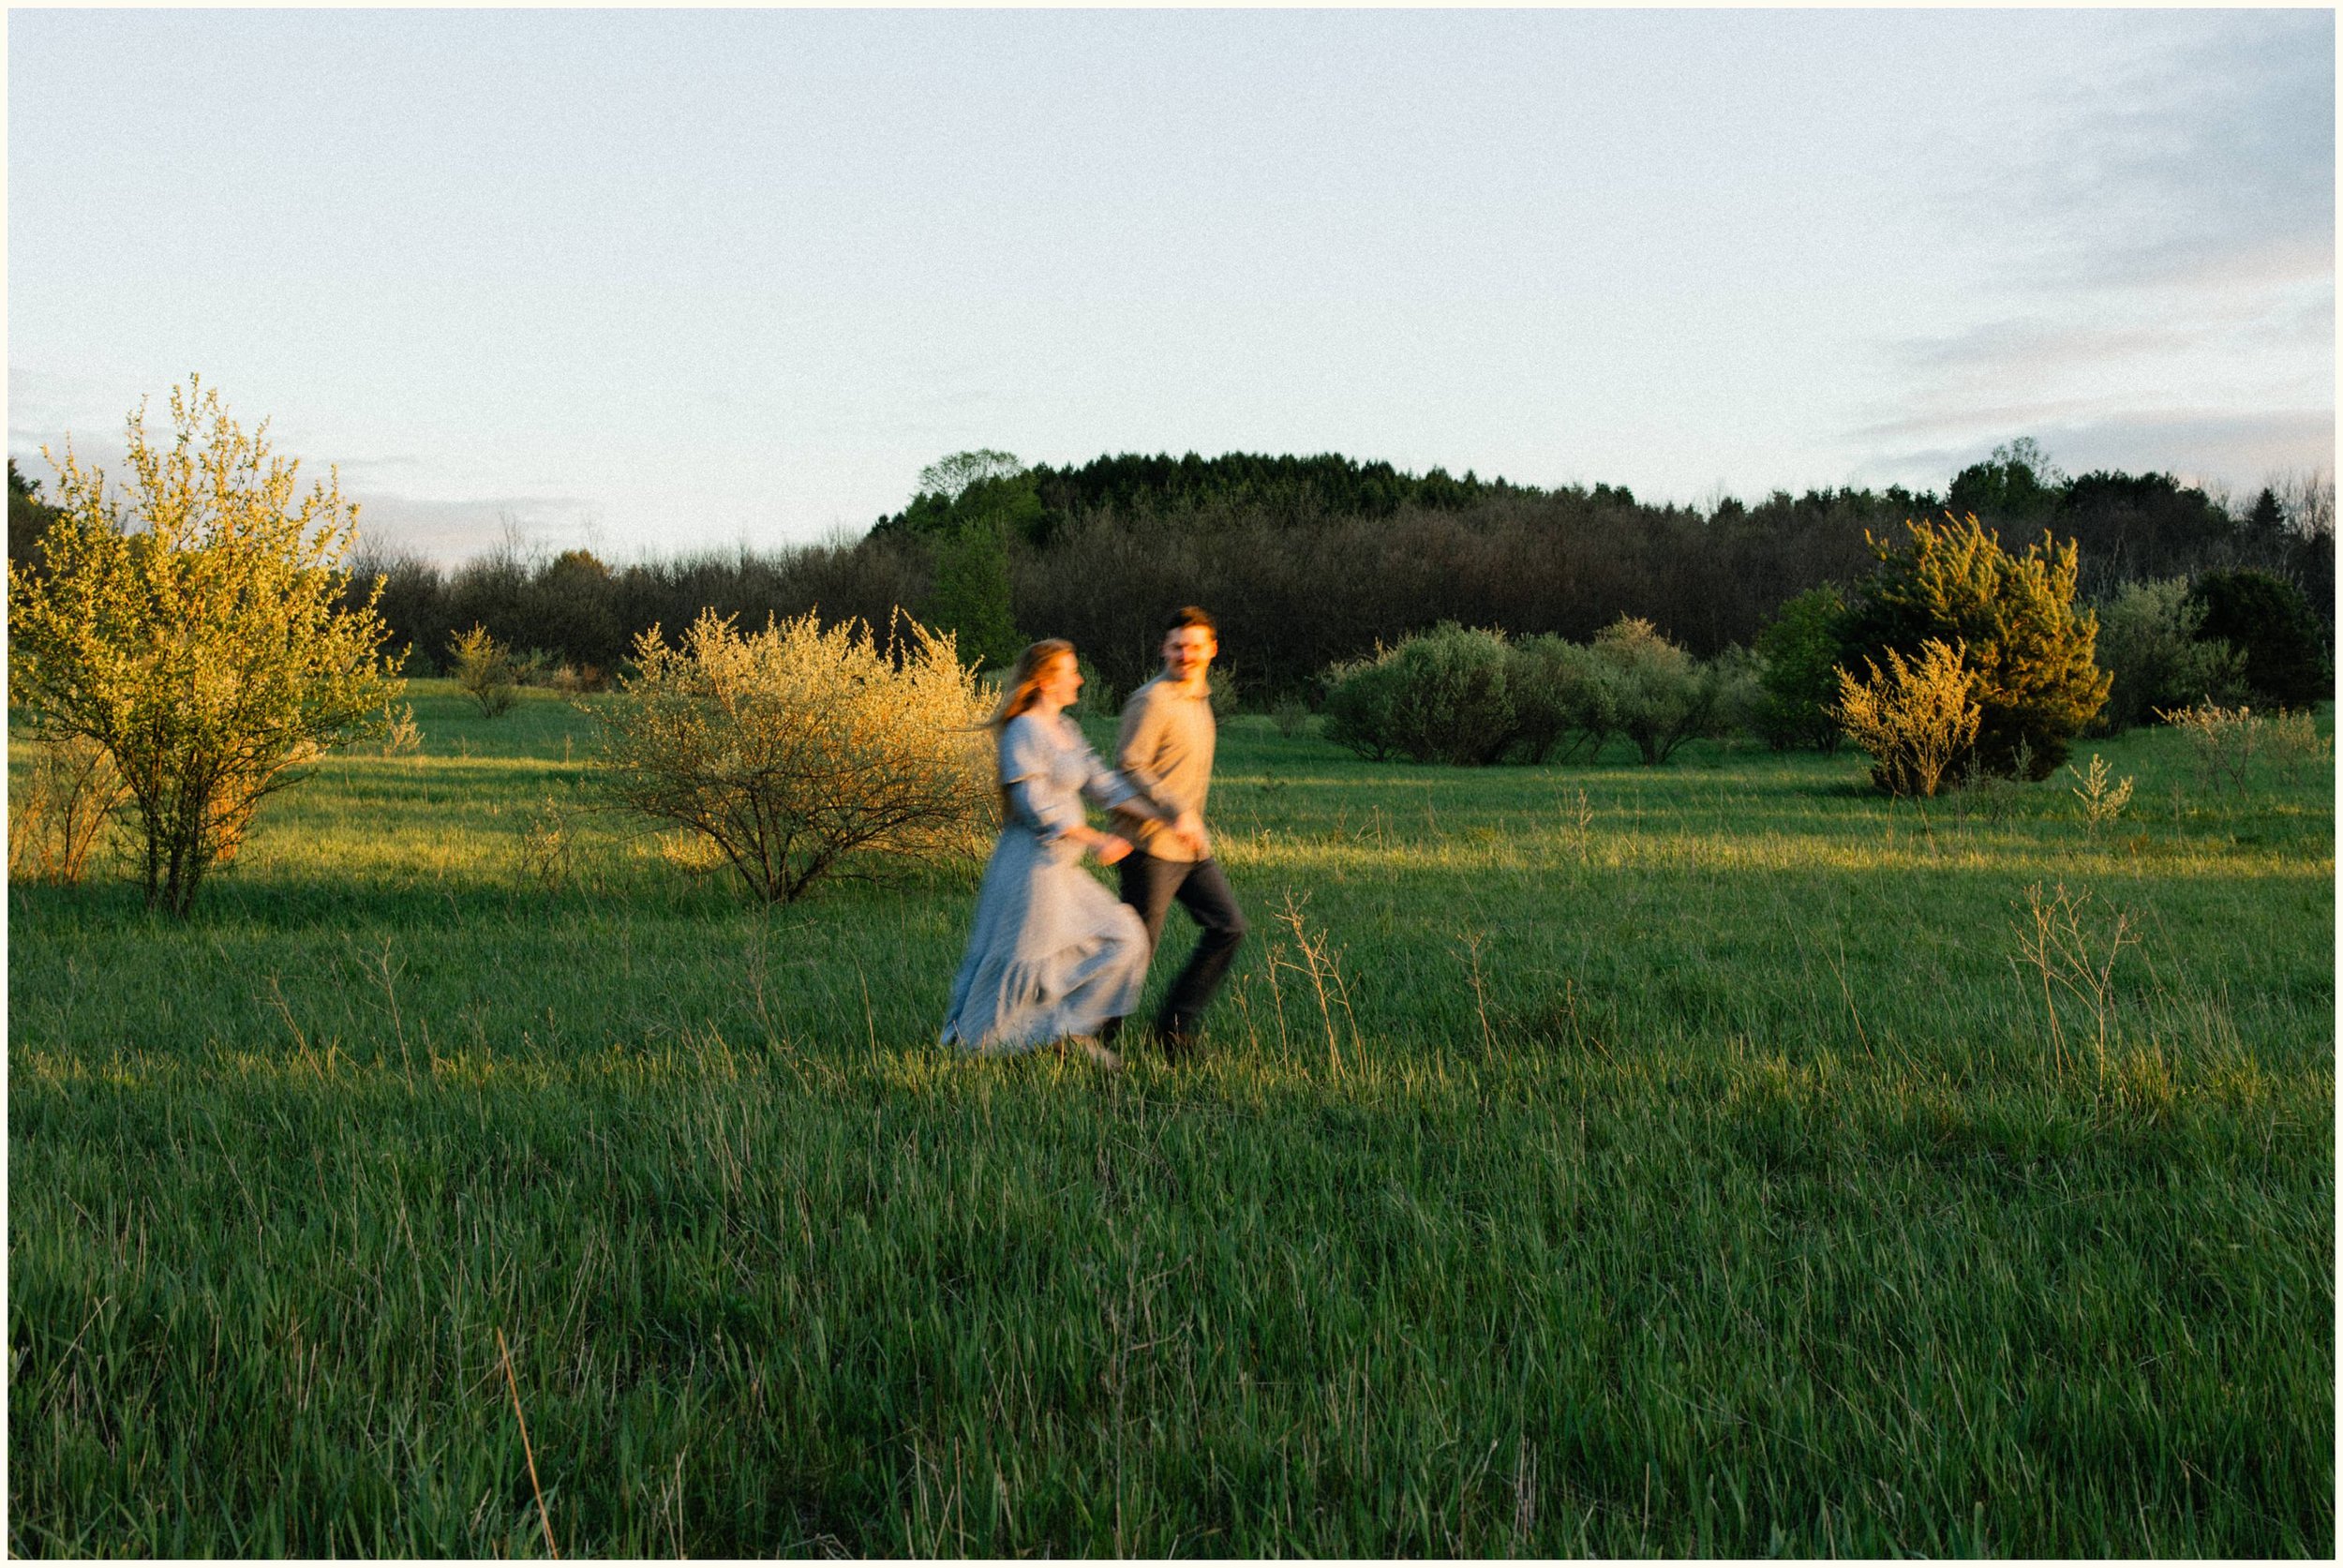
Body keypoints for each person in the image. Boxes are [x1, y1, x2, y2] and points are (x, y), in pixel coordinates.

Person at [939, 639, 1204, 1067]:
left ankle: (1068, 1029)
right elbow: (1034, 807)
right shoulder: (1024, 729)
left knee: (1126, 937)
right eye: (1071, 671)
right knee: (1020, 963)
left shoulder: (1067, 731)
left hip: (1060, 870)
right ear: (1045, 680)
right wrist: (1096, 838)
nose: (1079, 678)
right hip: (1029, 869)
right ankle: (977, 1049)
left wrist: (1165, 816)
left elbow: (1106, 786)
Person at [1106, 605, 1246, 1059]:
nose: (1185, 655)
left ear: (1212, 650)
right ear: (1164, 649)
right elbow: (1130, 763)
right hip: (1149, 846)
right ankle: (1089, 1036)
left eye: (1194, 646)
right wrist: (1175, 810)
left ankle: (1173, 1029)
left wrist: (1190, 820)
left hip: (1188, 847)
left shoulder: (1199, 698)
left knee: (1228, 928)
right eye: (1177, 646)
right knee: (1135, 950)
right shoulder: (1152, 700)